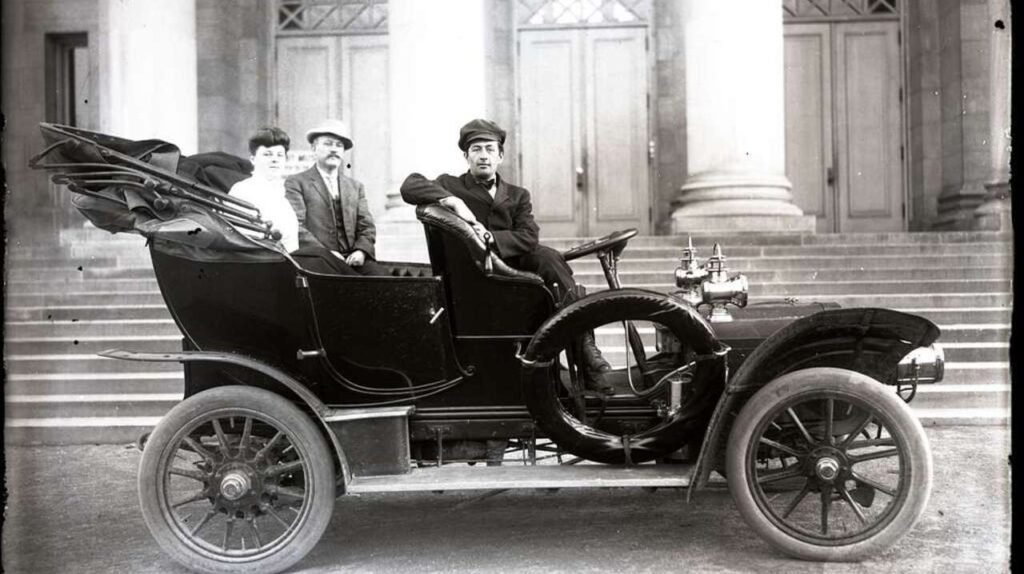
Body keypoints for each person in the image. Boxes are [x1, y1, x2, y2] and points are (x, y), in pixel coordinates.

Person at [400, 118, 612, 394]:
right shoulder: (451, 185)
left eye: (490, 149)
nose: (483, 156)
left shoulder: (517, 195)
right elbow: (409, 185)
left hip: (514, 269)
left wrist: (491, 237)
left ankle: (583, 353)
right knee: (554, 271)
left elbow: (528, 236)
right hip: (476, 277)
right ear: (466, 156)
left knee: (548, 260)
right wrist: (452, 200)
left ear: (500, 156)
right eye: (476, 149)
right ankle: (586, 354)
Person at [285, 119, 386, 276]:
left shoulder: (355, 187)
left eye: (339, 145)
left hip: (354, 259)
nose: (334, 149)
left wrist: (361, 251)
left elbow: (366, 226)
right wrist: (326, 253)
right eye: (327, 144)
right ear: (313, 148)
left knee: (384, 283)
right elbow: (296, 226)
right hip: (319, 260)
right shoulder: (297, 182)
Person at [228, 127, 300, 253]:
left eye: (280, 155)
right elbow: (240, 237)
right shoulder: (242, 190)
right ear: (253, 159)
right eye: (267, 154)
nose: (275, 159)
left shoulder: (283, 192)